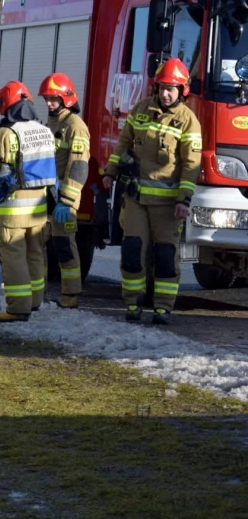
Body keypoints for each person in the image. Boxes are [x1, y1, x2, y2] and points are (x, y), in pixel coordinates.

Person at [102, 58, 201, 324]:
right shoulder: (141, 109)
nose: (165, 93)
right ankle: (133, 304)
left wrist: (184, 200)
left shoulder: (188, 121)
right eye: (162, 87)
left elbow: (191, 165)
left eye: (171, 88)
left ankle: (163, 308)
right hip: (136, 197)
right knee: (132, 250)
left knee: (165, 255)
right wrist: (110, 172)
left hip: (168, 206)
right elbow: (123, 143)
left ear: (182, 90)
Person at [0, 81, 57, 322]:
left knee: (14, 259)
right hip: (39, 210)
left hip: (13, 211)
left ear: (6, 106)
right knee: (35, 255)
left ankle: (18, 308)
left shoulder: (4, 134)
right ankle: (35, 301)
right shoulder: (45, 131)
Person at [39, 73, 91, 309]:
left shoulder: (75, 126)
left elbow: (78, 166)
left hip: (64, 198)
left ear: (66, 98)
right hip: (46, 195)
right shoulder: (51, 123)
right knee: (37, 244)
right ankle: (38, 294)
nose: (49, 103)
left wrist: (66, 201)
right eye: (47, 99)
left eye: (54, 99)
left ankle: (71, 296)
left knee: (64, 246)